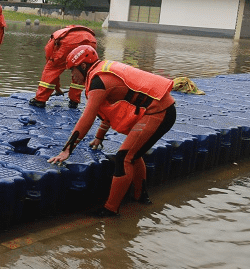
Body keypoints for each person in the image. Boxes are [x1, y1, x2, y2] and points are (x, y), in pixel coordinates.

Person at [48, 45, 177, 217]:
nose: (72, 75)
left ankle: (110, 209)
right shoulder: (101, 72)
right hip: (161, 109)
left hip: (159, 111)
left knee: (125, 158)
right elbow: (108, 110)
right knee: (134, 154)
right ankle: (140, 198)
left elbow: (87, 118)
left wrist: (67, 150)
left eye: (73, 70)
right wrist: (99, 137)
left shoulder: (98, 82)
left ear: (83, 66)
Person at [29, 25, 97, 109]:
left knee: (51, 69)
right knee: (81, 71)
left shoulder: (53, 42)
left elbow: (51, 70)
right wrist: (57, 88)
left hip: (68, 43)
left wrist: (57, 88)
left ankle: (40, 100)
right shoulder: (72, 31)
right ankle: (74, 101)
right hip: (91, 41)